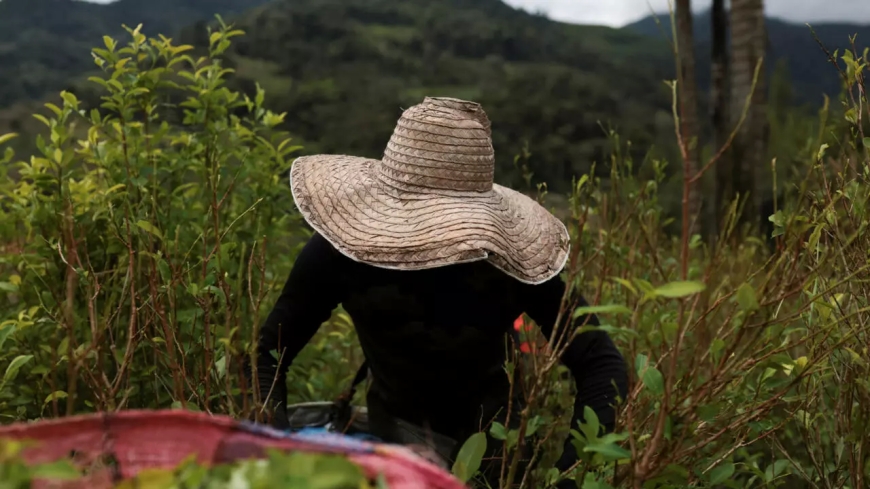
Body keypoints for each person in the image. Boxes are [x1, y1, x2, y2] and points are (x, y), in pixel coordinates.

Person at [248, 97, 628, 485]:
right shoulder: (342, 252)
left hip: (495, 451)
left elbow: (599, 364)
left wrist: (573, 471)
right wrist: (270, 449)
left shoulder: (507, 259)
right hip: (391, 439)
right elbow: (270, 353)